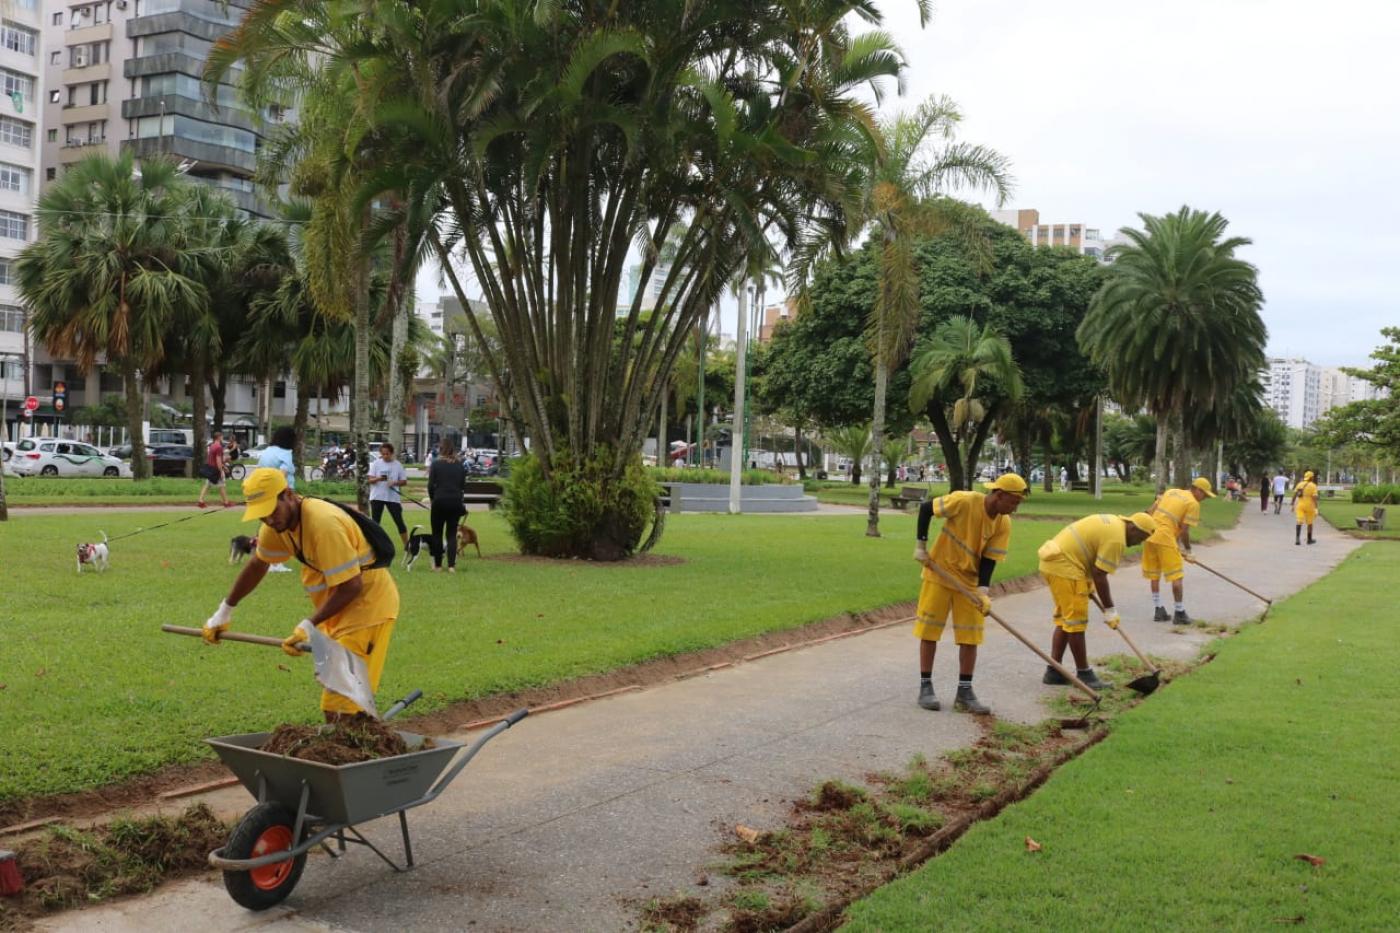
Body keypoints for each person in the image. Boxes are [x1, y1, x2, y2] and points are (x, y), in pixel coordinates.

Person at [202, 468, 400, 721]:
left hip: (367, 610)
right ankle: (363, 744)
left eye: (272, 511)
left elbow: (352, 586)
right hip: (337, 612)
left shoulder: (324, 524)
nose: (270, 521)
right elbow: (257, 565)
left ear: (288, 494)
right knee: (345, 699)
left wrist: (308, 625)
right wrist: (223, 612)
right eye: (262, 516)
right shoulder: (277, 525)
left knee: (339, 703)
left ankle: (358, 752)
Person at [912, 474, 1028, 715]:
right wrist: (921, 545)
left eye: (1018, 503)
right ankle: (926, 686)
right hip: (939, 574)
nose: (1015, 508)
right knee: (930, 631)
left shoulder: (1003, 523)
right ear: (999, 495)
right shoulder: (964, 501)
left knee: (971, 636)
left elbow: (990, 558)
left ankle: (964, 692)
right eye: (1013, 501)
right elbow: (926, 509)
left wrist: (983, 591)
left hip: (969, 581)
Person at [1038, 512, 1156, 691]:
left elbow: (1089, 555)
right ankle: (1084, 674)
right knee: (1076, 622)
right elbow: (1100, 575)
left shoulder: (1114, 523)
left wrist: (1087, 582)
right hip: (1065, 567)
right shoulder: (1117, 539)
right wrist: (1110, 609)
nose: (1139, 543)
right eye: (1141, 537)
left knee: (1066, 620)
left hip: (1057, 562)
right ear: (1133, 528)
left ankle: (1054, 671)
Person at [1143, 477, 1215, 624]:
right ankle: (1179, 612)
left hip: (1150, 534)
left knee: (1154, 574)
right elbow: (1185, 531)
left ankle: (1159, 610)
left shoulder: (1171, 491)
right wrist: (1188, 550)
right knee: (1177, 577)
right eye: (1205, 495)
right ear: (1198, 490)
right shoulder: (1193, 503)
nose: (1205, 499)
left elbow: (1150, 511)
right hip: (1165, 536)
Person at [427, 438, 468, 573]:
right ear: (453, 450)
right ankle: (451, 566)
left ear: (440, 449)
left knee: (437, 534)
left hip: (439, 501)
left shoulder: (436, 464)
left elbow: (430, 485)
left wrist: (433, 498)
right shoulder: (459, 465)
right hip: (455, 502)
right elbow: (462, 485)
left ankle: (438, 565)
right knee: (451, 534)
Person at [368, 442, 410, 547]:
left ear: (392, 453)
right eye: (383, 454)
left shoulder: (398, 465)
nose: (385, 456)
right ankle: (374, 545)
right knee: (375, 522)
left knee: (399, 521)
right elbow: (370, 480)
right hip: (377, 497)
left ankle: (407, 545)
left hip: (392, 498)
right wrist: (378, 478)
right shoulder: (376, 464)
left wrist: (394, 482)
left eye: (388, 454)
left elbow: (404, 481)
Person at [197, 431, 232, 509]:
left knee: (207, 484)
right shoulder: (219, 447)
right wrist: (221, 470)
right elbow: (218, 460)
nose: (222, 438)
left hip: (210, 468)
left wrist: (223, 466)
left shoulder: (212, 446)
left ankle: (200, 501)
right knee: (222, 485)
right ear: (219, 437)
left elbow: (211, 458)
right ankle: (226, 502)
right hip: (216, 469)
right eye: (222, 437)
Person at [1291, 470, 1320, 545]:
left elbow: (1295, 494)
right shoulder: (1313, 486)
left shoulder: (1300, 484)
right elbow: (1315, 498)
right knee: (1310, 523)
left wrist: (1292, 504)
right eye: (1312, 477)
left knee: (1299, 522)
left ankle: (1297, 539)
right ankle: (1309, 539)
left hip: (1300, 505)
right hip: (1310, 506)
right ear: (1311, 478)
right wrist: (1316, 508)